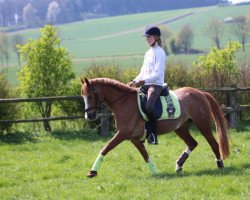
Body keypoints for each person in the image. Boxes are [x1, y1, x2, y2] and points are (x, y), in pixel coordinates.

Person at [128, 26, 167, 145]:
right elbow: (143, 72)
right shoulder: (148, 53)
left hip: (156, 85)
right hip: (146, 84)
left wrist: (143, 81)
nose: (147, 39)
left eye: (149, 37)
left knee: (149, 106)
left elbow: (157, 74)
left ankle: (153, 135)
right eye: (146, 38)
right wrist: (134, 81)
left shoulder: (160, 53)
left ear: (156, 37)